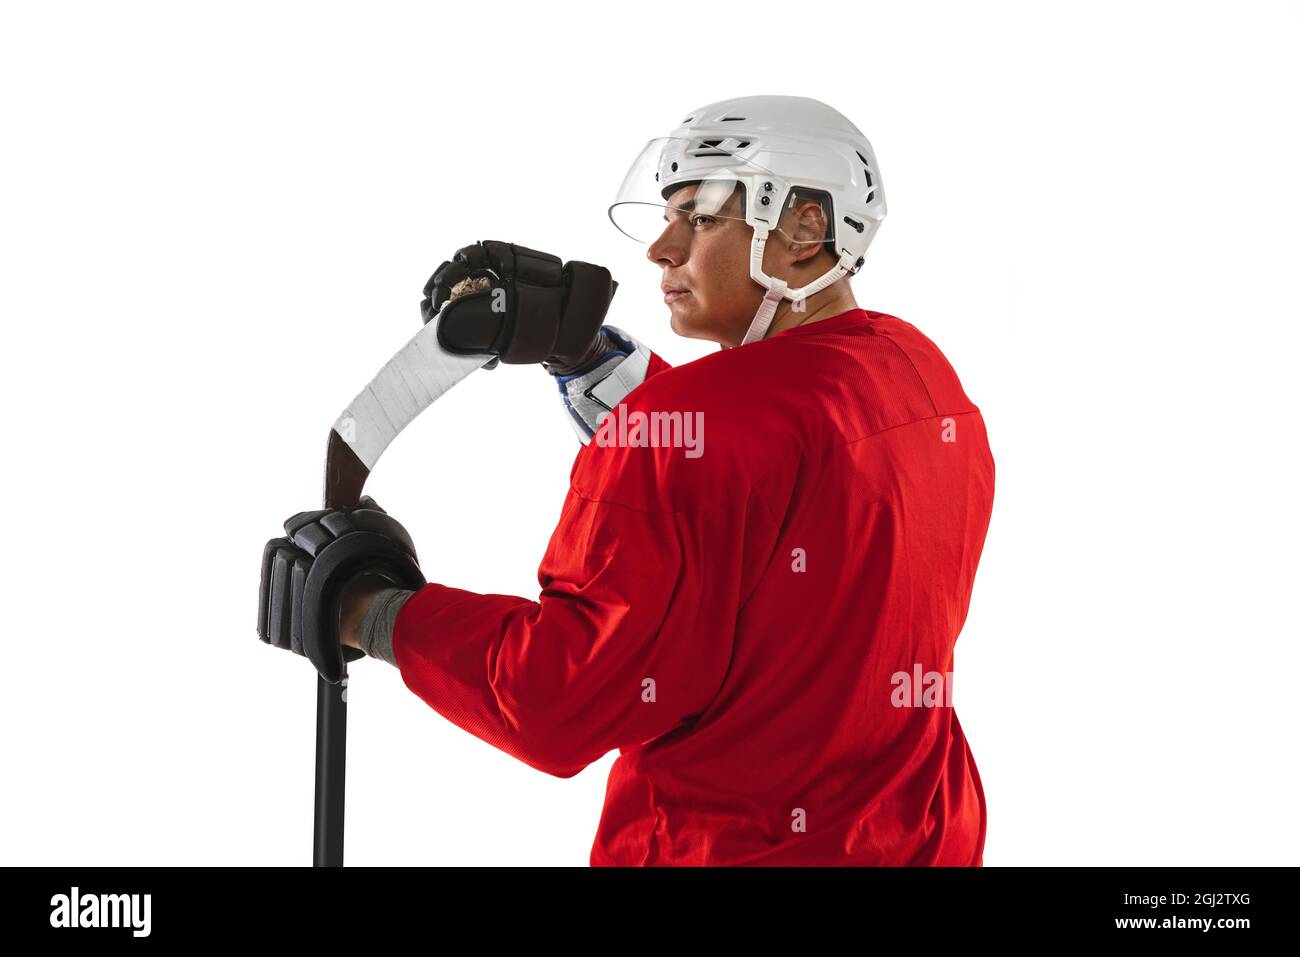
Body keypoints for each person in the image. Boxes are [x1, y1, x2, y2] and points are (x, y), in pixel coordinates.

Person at [261, 95, 996, 865]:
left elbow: (559, 698)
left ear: (806, 230)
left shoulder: (696, 432)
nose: (661, 247)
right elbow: (756, 474)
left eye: (703, 217)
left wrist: (372, 611)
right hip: (922, 840)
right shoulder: (923, 381)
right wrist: (591, 363)